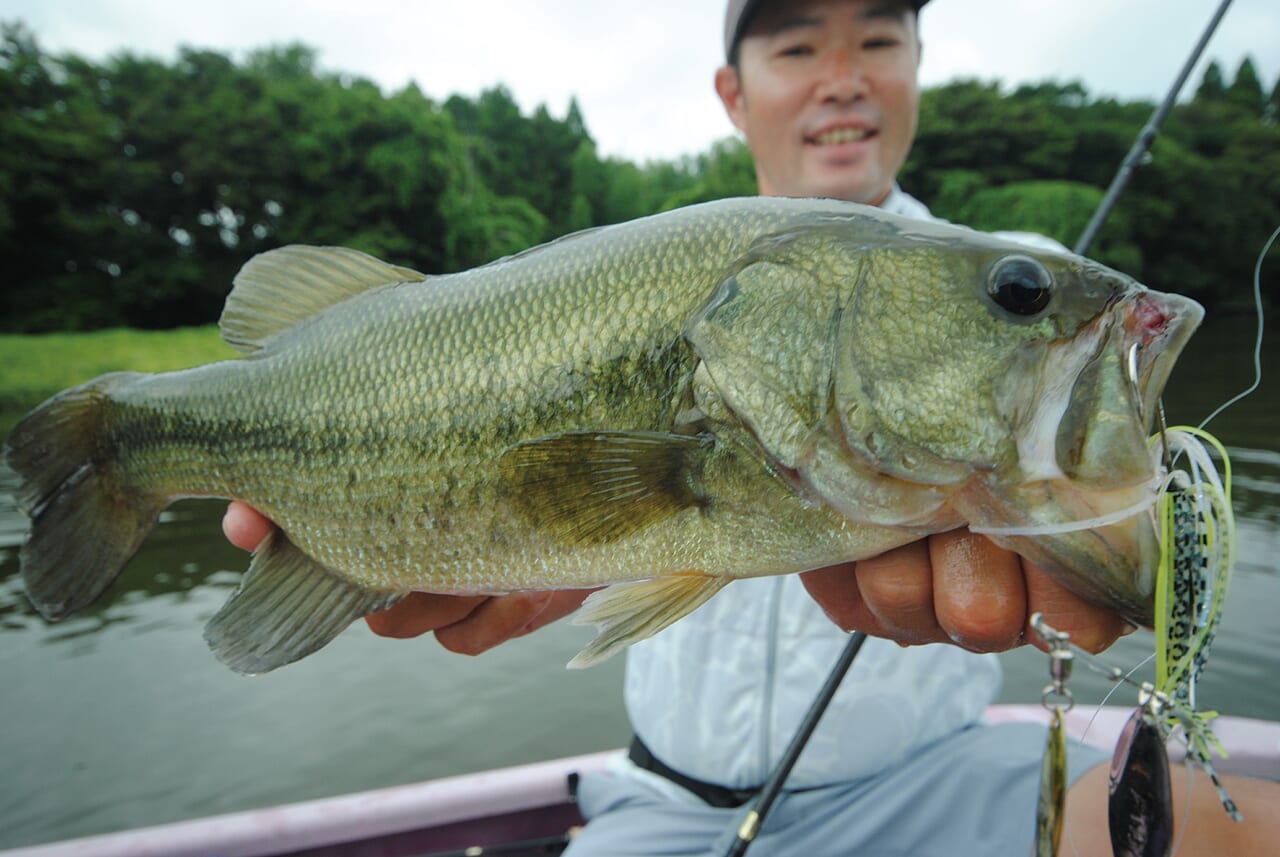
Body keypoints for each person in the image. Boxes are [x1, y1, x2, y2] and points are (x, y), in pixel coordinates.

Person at [224, 1, 1279, 853]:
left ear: (916, 64)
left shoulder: (1016, 265)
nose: (842, 73)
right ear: (732, 92)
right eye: (793, 44)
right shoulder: (634, 270)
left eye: (877, 37)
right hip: (662, 803)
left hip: (929, 781)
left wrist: (1128, 563)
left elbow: (1131, 540)